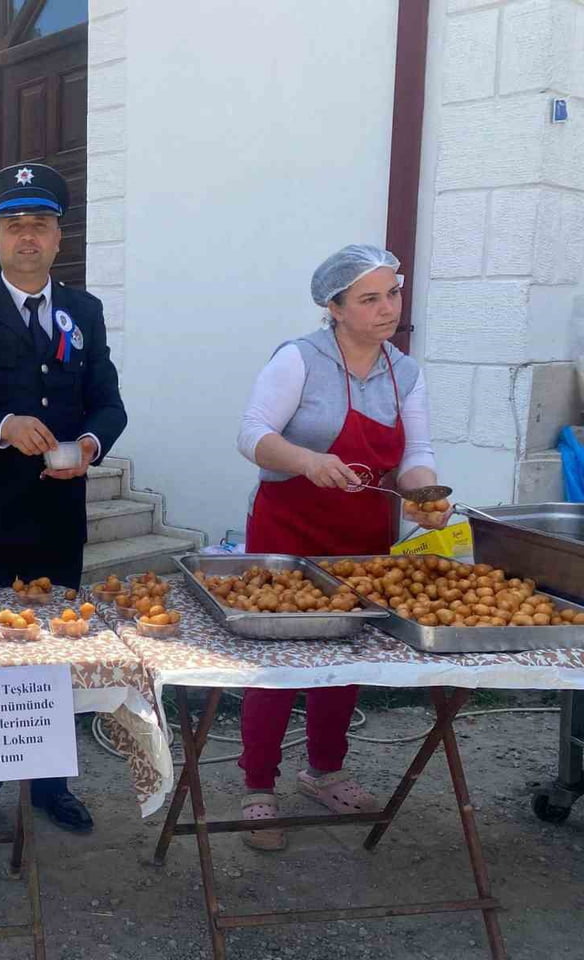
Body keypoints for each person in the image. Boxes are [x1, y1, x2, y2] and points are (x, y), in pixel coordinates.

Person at [0, 162, 127, 836]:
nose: (28, 236)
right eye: (14, 225)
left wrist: (90, 444)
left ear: (59, 236)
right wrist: (2, 426)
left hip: (55, 514)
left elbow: (108, 402)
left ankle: (49, 785)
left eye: (40, 223)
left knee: (56, 648)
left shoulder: (83, 311)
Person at [234, 243, 447, 851]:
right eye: (369, 299)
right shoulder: (299, 359)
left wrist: (423, 494)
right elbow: (252, 434)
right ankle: (258, 786)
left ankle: (325, 770)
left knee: (345, 657)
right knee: (276, 660)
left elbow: (416, 454)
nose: (388, 309)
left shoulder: (405, 372)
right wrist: (307, 461)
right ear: (334, 307)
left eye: (392, 294)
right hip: (288, 531)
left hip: (362, 537)